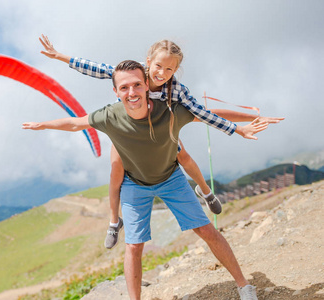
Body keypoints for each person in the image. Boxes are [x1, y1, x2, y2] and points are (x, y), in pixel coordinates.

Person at [22, 60, 282, 299]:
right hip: (135, 185)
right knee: (134, 247)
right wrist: (43, 125)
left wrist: (252, 118)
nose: (132, 92)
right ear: (115, 91)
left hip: (172, 179)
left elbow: (209, 114)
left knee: (207, 230)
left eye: (137, 84)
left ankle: (243, 285)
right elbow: (75, 123)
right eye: (124, 87)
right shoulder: (109, 116)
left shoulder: (169, 112)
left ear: (147, 85)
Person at [39, 35, 284, 249]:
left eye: (170, 69)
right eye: (158, 66)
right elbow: (96, 68)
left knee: (183, 157)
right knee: (116, 171)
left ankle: (206, 192)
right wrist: (59, 56)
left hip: (161, 131)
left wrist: (238, 128)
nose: (162, 73)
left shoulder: (176, 90)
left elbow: (203, 113)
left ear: (176, 70)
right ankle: (114, 222)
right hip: (129, 133)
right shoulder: (135, 74)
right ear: (148, 62)